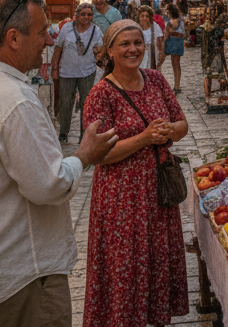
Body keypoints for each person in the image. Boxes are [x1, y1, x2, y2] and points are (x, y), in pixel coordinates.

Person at [0, 0, 118, 327]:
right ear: (13, 38)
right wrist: (84, 156)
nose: (49, 41)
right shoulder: (14, 99)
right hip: (22, 274)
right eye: (42, 32)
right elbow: (49, 185)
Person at [81, 20, 190, 326]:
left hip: (158, 192)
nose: (133, 49)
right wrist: (144, 138)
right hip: (122, 198)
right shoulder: (101, 94)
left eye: (138, 43)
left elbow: (181, 123)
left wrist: (169, 130)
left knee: (156, 258)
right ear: (110, 51)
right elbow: (97, 154)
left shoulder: (156, 80)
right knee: (125, 264)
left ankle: (154, 317)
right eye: (125, 44)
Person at [52, 3, 100, 143]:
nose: (86, 17)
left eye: (89, 14)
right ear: (77, 15)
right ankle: (63, 133)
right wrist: (54, 69)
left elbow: (100, 50)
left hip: (88, 72)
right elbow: (58, 48)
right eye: (83, 14)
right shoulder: (67, 28)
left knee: (86, 104)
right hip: (66, 72)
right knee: (66, 103)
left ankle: (84, 135)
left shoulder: (96, 30)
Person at [163, 3, 186, 94]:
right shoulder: (181, 20)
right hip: (179, 42)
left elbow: (166, 34)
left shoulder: (170, 23)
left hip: (172, 42)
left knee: (174, 65)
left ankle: (176, 86)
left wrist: (162, 45)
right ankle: (177, 85)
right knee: (177, 65)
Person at [136, 5, 165, 71]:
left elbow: (160, 45)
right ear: (139, 17)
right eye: (142, 16)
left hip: (152, 56)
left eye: (147, 16)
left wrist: (160, 62)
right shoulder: (135, 27)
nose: (144, 18)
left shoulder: (155, 27)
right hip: (139, 56)